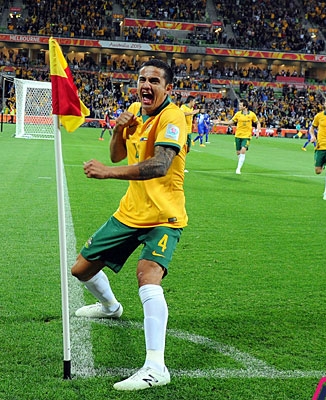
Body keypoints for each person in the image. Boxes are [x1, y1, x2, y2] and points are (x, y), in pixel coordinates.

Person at [70, 59, 188, 391]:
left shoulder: (173, 117)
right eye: (142, 79)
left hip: (164, 215)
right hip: (130, 212)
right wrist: (118, 130)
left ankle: (156, 367)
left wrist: (107, 173)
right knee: (81, 270)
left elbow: (160, 165)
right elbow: (117, 154)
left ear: (168, 88)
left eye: (154, 80)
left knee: (147, 275)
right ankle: (111, 307)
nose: (146, 85)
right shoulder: (136, 110)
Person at [213, 99, 260, 174]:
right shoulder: (238, 114)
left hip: (247, 136)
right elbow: (230, 122)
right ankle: (240, 162)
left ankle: (238, 169)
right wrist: (220, 122)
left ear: (245, 106)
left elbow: (258, 123)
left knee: (243, 150)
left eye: (240, 105)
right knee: (238, 152)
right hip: (238, 135)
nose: (239, 106)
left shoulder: (252, 114)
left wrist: (257, 131)